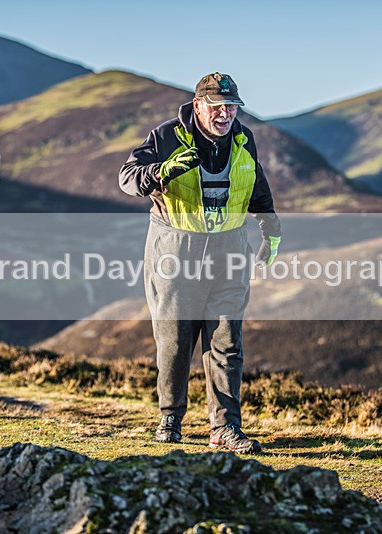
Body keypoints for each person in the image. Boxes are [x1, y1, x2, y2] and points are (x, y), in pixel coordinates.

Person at [119, 73, 282, 453]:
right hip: (176, 250)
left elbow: (255, 185)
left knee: (227, 340)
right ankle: (170, 419)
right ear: (198, 106)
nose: (225, 114)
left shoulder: (244, 138)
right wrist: (159, 171)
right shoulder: (164, 137)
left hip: (230, 248)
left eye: (231, 107)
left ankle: (225, 428)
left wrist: (270, 227)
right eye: (217, 107)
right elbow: (127, 178)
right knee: (175, 340)